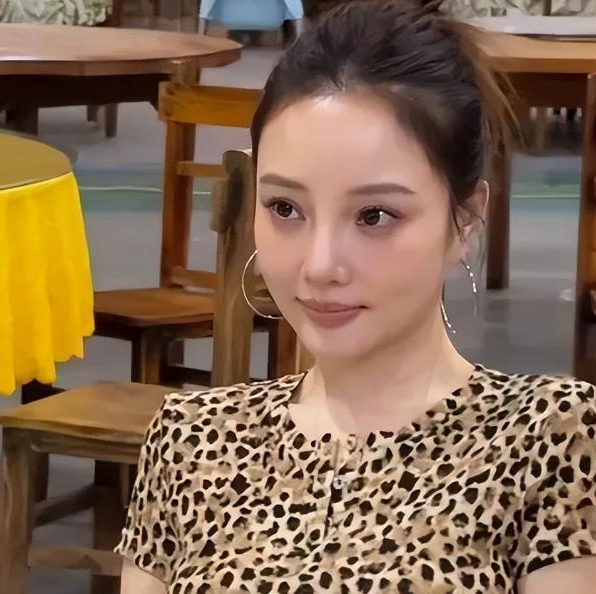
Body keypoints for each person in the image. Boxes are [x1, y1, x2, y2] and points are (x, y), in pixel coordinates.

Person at [117, 1, 596, 592]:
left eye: (374, 215)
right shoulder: (190, 440)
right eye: (285, 208)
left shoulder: (546, 439)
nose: (320, 266)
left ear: (466, 220)